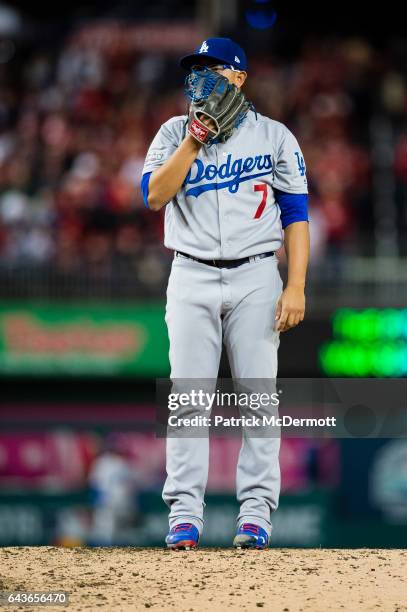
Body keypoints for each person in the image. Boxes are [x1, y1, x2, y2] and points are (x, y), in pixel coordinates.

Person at [141, 37, 310, 549]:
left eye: (212, 69)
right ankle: (184, 517)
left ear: (238, 77)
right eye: (195, 69)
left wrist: (297, 285)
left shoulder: (276, 137)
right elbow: (153, 196)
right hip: (190, 274)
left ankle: (255, 515)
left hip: (256, 274)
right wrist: (193, 141)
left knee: (259, 399)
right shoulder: (172, 132)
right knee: (189, 399)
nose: (201, 77)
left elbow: (297, 216)